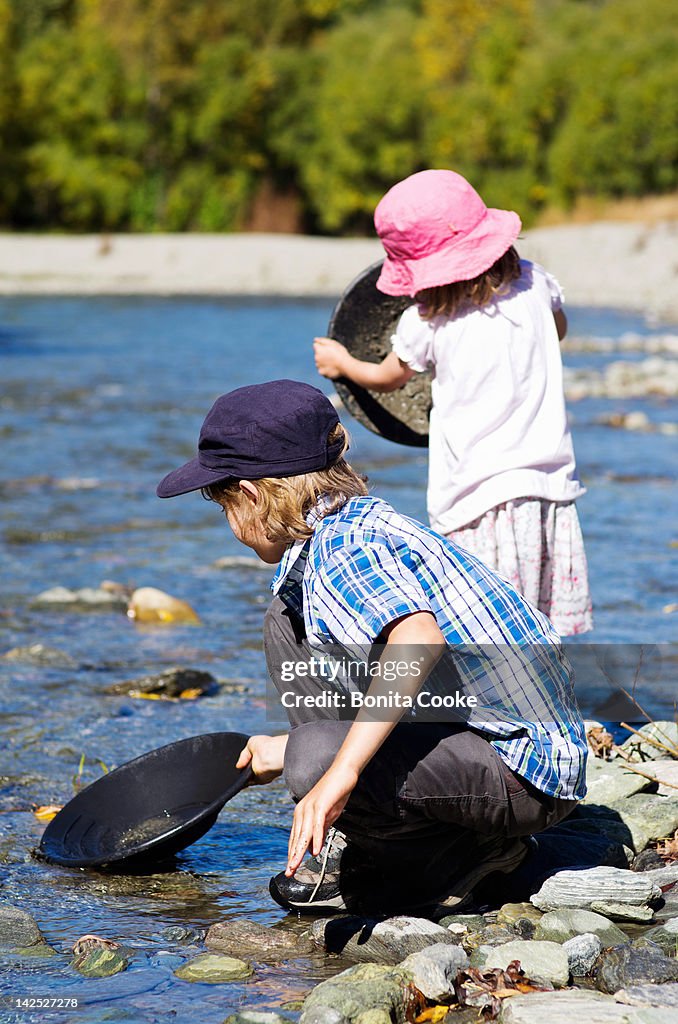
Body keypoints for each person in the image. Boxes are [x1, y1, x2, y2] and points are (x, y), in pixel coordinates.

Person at [156, 378, 587, 915]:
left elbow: (418, 639)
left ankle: (463, 856)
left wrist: (340, 771)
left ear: (250, 495)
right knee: (286, 621)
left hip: (525, 772)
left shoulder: (343, 550)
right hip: (476, 732)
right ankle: (363, 826)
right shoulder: (350, 523)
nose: (231, 526)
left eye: (226, 510)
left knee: (315, 756)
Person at [314, 169, 592, 637]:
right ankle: (550, 699)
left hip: (475, 496)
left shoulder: (426, 323)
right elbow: (558, 330)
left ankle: (491, 707)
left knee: (487, 623)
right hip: (549, 485)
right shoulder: (535, 283)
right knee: (539, 619)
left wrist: (343, 364)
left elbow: (386, 378)